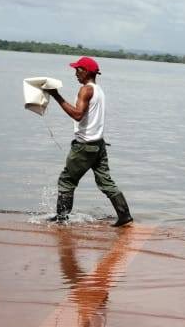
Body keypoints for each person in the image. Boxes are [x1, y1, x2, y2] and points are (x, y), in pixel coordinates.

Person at [46, 56, 133, 227]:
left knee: (66, 180)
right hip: (99, 144)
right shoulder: (99, 90)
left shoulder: (85, 90)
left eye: (77, 70)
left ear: (86, 72)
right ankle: (125, 215)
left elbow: (78, 115)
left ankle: (61, 219)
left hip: (84, 147)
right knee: (105, 181)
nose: (75, 74)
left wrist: (56, 95)